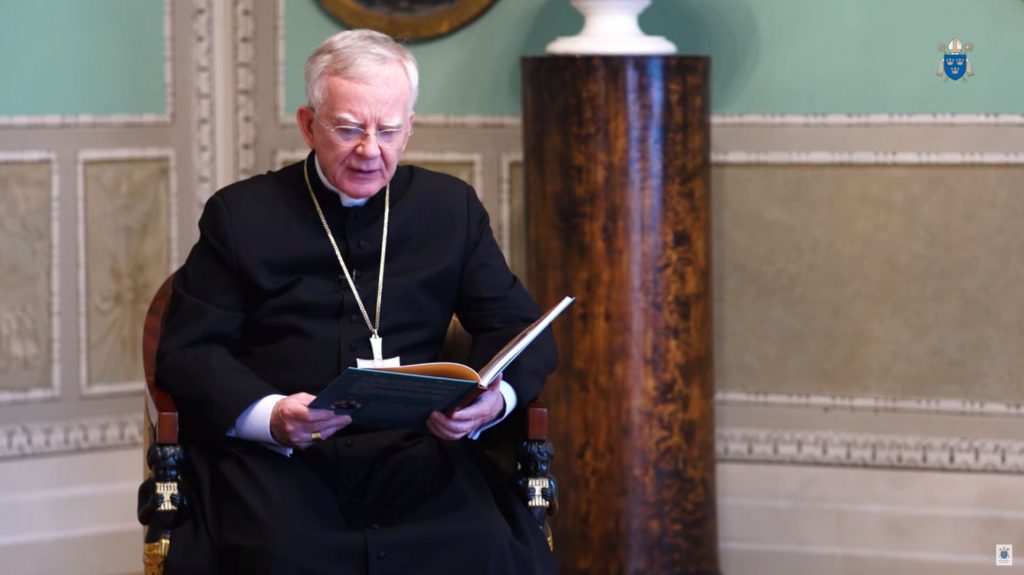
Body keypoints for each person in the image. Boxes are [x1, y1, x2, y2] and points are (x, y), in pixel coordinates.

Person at [157, 29, 559, 574]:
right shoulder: (240, 215)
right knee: (281, 556)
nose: (371, 151)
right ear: (308, 125)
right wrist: (271, 417)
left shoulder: (450, 209)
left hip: (419, 458)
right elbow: (189, 351)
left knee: (481, 543)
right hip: (281, 462)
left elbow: (519, 327)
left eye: (389, 131)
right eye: (348, 129)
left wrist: (494, 400)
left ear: (409, 127)